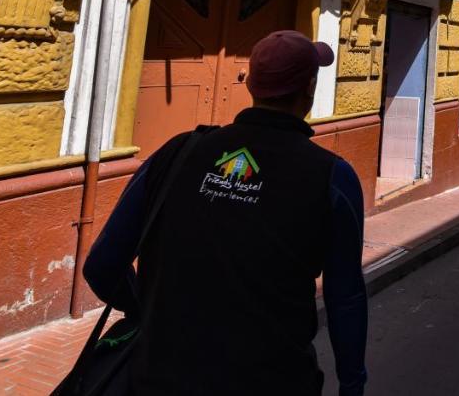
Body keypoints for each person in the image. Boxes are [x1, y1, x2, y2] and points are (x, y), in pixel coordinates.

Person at [84, 30, 368, 396]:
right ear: (310, 89)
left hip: (157, 377)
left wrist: (148, 308)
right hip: (274, 381)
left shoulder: (177, 153)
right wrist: (353, 384)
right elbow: (345, 298)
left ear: (251, 84)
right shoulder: (332, 177)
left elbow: (102, 265)